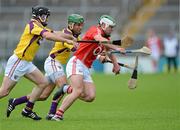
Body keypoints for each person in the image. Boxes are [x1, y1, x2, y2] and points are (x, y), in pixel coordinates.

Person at [0, 6, 77, 120]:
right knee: (4, 91)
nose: (46, 19)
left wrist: (71, 36)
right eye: (45, 16)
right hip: (18, 61)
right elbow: (48, 36)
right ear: (39, 16)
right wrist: (66, 40)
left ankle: (28, 110)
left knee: (43, 83)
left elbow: (55, 33)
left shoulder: (40, 27)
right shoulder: (33, 25)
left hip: (27, 63)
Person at [51, 15, 125, 121]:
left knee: (90, 96)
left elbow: (108, 50)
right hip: (76, 63)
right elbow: (100, 40)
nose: (112, 29)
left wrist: (115, 64)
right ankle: (58, 114)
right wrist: (117, 47)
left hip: (85, 67)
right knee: (78, 90)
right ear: (103, 25)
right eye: (111, 27)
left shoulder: (107, 39)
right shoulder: (95, 30)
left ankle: (66, 89)